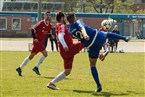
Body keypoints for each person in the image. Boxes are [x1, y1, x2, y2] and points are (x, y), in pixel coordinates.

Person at [66, 13, 130, 92]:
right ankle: (124, 38)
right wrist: (85, 35)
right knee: (107, 34)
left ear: (68, 21)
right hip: (97, 37)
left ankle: (98, 85)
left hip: (91, 46)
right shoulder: (78, 22)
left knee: (92, 65)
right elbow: (82, 28)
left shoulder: (69, 30)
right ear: (74, 18)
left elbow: (73, 37)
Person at [47, 11, 84, 90]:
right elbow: (60, 36)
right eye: (64, 17)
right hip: (68, 49)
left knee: (67, 71)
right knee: (85, 42)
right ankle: (99, 53)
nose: (65, 18)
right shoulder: (62, 25)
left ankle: (52, 83)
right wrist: (65, 46)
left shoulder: (58, 25)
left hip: (64, 52)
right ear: (62, 18)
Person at [16, 11, 54, 76]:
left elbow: (46, 33)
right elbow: (33, 29)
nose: (48, 16)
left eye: (49, 15)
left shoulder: (50, 25)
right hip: (37, 42)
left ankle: (19, 68)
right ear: (44, 16)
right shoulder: (41, 23)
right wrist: (34, 38)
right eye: (47, 15)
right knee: (45, 54)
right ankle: (36, 67)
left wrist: (51, 36)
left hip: (41, 42)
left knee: (31, 56)